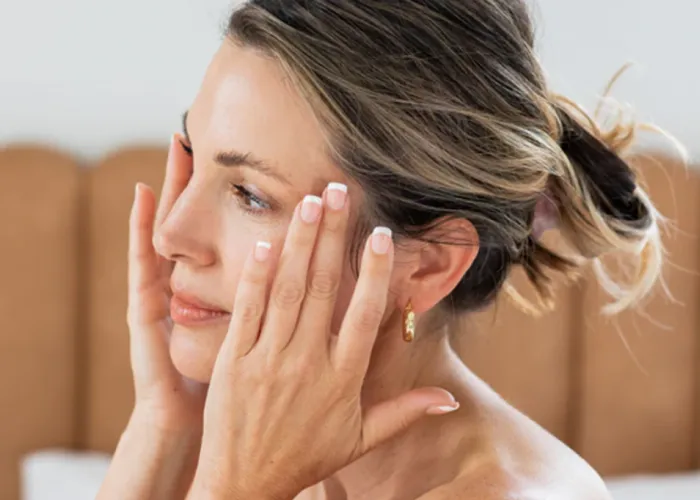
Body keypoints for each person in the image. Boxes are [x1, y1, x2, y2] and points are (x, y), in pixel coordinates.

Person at [97, 1, 671, 498]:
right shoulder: (244, 459)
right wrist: (165, 429)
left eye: (250, 194)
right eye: (193, 157)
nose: (171, 234)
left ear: (427, 264)